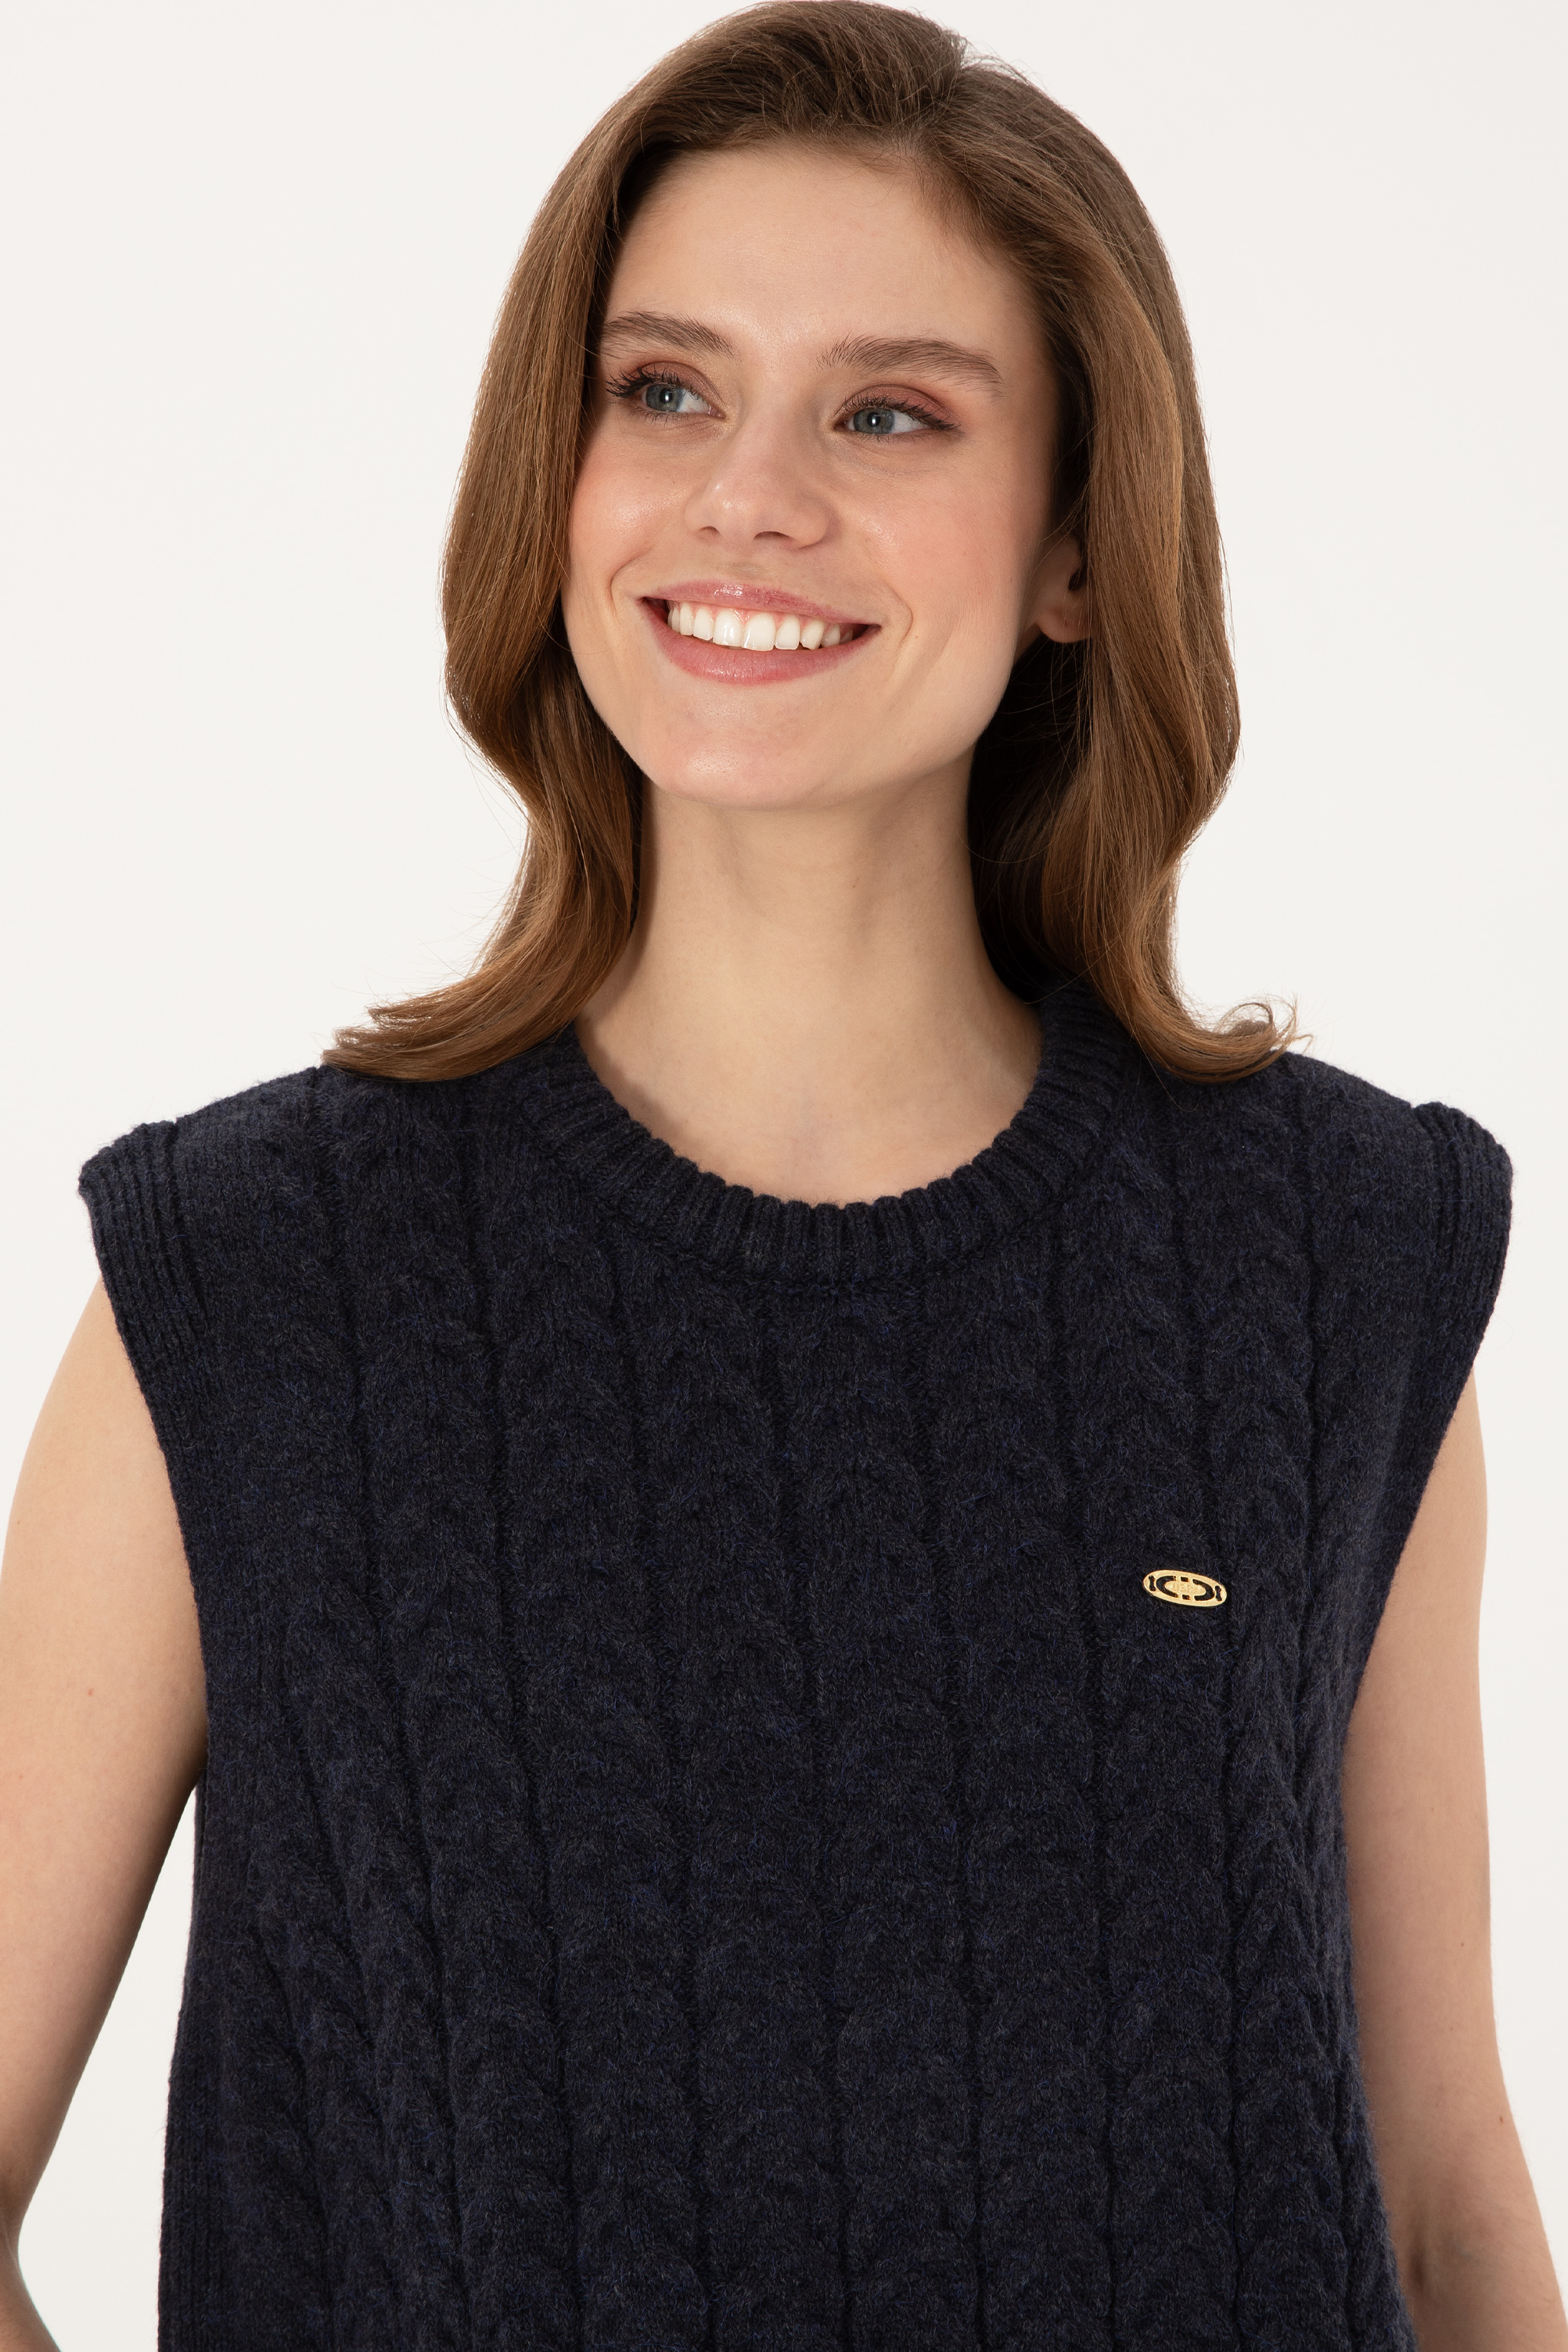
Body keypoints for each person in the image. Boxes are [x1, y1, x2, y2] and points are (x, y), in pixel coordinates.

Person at [1, 4, 1561, 2346]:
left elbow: (1443, 2218)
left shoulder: (1336, 1259)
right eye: (663, 390)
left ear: (1074, 546)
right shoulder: (245, 1287)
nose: (746, 498)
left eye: (889, 413)